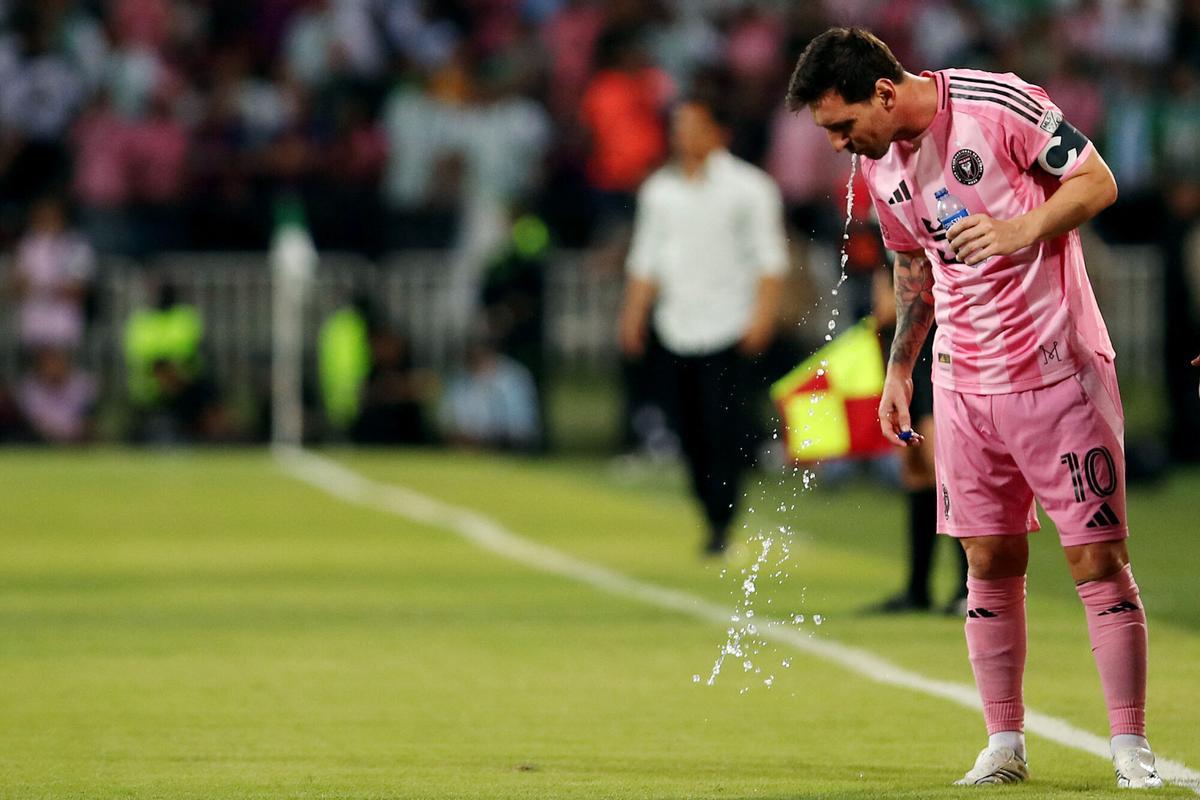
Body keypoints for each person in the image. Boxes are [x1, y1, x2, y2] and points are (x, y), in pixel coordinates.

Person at [787, 27, 1161, 788]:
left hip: (1059, 370)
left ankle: (1131, 748)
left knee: (1097, 560)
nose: (838, 145)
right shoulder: (881, 163)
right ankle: (1004, 743)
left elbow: (1098, 181)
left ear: (883, 92)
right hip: (963, 383)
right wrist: (900, 369)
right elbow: (912, 264)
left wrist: (1020, 227)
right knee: (987, 560)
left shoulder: (996, 106)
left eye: (842, 125)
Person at [618, 95, 787, 555]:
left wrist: (762, 317)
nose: (683, 136)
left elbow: (770, 260)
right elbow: (645, 260)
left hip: (729, 325)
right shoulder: (659, 191)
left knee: (721, 428)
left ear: (718, 132)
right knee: (687, 429)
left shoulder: (750, 189)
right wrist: (633, 315)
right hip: (676, 324)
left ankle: (722, 519)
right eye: (678, 126)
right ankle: (708, 509)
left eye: (693, 125)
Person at [869, 266, 968, 615]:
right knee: (914, 466)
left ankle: (969, 585)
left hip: (934, 334)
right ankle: (918, 588)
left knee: (938, 459)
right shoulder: (883, 232)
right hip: (902, 342)